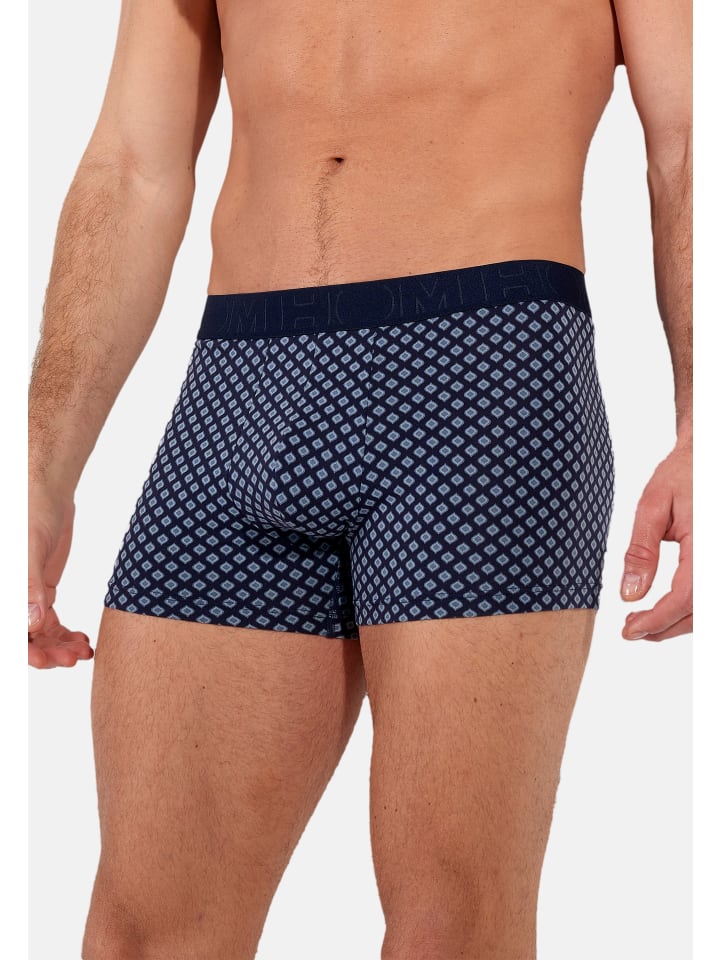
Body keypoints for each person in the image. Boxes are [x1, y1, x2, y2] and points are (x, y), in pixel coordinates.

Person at [28, 0, 692, 957]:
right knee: (141, 934)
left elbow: (688, 139)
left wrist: (702, 422)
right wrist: (40, 471)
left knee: (449, 933)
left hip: (481, 377)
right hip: (237, 388)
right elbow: (133, 161)